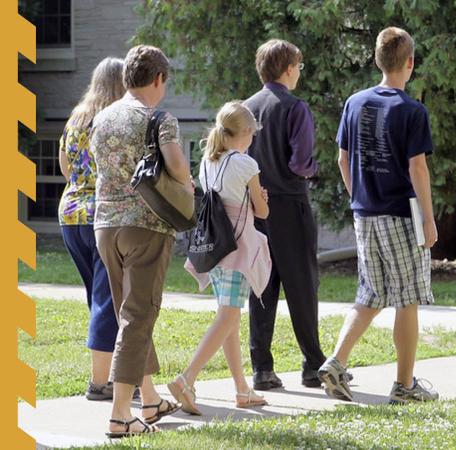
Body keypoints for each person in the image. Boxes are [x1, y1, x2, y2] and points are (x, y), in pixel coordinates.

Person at [318, 26, 439, 404]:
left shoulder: (355, 102)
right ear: (410, 63)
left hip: (365, 212)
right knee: (408, 298)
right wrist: (429, 219)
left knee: (371, 293)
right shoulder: (411, 110)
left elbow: (342, 158)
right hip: (402, 213)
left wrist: (361, 196)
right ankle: (404, 386)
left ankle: (335, 363)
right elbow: (417, 168)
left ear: (377, 60)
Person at [92, 45, 189, 437]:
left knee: (127, 315)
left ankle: (149, 399)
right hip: (145, 226)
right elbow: (176, 165)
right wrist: (186, 182)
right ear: (158, 79)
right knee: (138, 317)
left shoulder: (102, 117)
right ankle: (119, 416)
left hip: (104, 227)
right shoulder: (159, 118)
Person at [170, 101, 271, 414]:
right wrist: (262, 200)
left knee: (230, 318)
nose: (252, 140)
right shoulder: (245, 164)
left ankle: (242, 389)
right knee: (228, 316)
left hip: (214, 246)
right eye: (251, 134)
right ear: (242, 134)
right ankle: (187, 378)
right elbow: (262, 211)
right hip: (237, 249)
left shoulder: (207, 162)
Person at [244, 39, 327, 390]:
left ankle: (262, 368)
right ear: (289, 68)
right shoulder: (295, 108)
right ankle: (312, 364)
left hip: (254, 204)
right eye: (299, 67)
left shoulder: (245, 108)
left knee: (261, 286)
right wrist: (313, 168)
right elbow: (300, 163)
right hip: (290, 204)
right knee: (301, 285)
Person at [57, 57, 135, 401]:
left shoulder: (77, 117)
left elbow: (64, 167)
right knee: (108, 302)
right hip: (103, 217)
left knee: (99, 298)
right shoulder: (115, 121)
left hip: (70, 215)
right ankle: (101, 383)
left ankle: (112, 374)